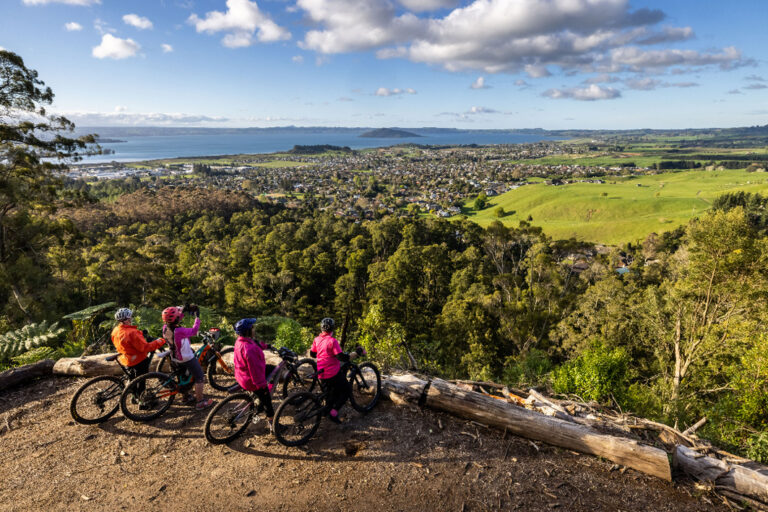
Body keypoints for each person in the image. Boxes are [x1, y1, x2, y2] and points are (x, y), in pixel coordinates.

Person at [310, 317, 363, 424]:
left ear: (321, 329)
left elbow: (312, 354)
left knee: (330, 393)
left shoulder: (317, 339)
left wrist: (323, 353)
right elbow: (342, 358)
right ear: (332, 329)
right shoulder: (332, 341)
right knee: (347, 390)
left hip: (321, 373)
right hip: (332, 373)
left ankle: (326, 410)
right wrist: (357, 353)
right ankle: (333, 412)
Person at [162, 304, 214, 410]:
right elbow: (194, 331)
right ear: (176, 318)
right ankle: (200, 402)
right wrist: (197, 318)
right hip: (186, 358)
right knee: (200, 377)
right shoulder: (179, 331)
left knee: (183, 377)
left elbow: (176, 319)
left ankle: (186, 397)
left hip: (174, 357)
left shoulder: (165, 328)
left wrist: (183, 310)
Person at [232, 318, 275, 429]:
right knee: (267, 402)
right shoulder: (249, 349)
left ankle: (259, 397)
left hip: (241, 375)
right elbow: (255, 371)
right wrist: (262, 387)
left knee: (272, 369)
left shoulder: (240, 341)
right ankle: (273, 424)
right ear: (248, 331)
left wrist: (268, 346)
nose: (254, 328)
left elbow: (256, 344)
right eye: (252, 327)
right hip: (251, 380)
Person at [111, 307, 165, 383]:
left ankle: (131, 391)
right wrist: (160, 341)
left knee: (132, 380)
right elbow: (145, 347)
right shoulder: (132, 333)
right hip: (137, 360)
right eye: (130, 317)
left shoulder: (115, 330)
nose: (131, 319)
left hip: (125, 359)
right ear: (128, 319)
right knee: (140, 381)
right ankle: (140, 394)